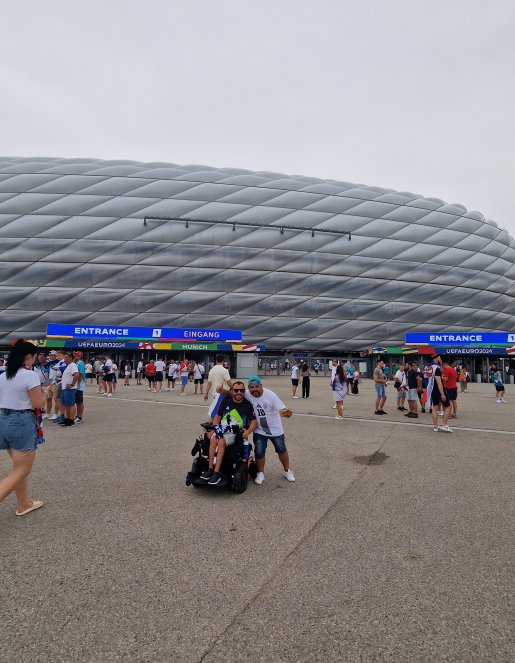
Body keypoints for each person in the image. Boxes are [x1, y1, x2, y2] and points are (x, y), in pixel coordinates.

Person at [0, 340, 47, 516]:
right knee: (22, 469)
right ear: (28, 357)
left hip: (4, 419)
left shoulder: (3, 375)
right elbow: (36, 403)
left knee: (18, 468)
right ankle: (22, 503)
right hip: (22, 422)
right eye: (34, 357)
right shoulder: (30, 375)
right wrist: (46, 396)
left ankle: (23, 503)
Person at [199, 382, 257, 485]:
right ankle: (210, 469)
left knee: (221, 441)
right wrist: (213, 430)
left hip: (235, 432)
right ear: (232, 392)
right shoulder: (226, 401)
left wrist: (248, 431)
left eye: (242, 391)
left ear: (244, 392)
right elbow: (217, 417)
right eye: (236, 390)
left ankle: (216, 472)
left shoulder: (247, 405)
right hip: (222, 429)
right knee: (213, 439)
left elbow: (254, 422)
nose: (239, 393)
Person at [244, 375, 295, 484]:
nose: (254, 390)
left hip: (275, 429)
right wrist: (222, 391)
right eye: (251, 388)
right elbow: (234, 392)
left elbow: (282, 409)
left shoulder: (270, 395)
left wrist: (287, 413)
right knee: (259, 451)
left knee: (281, 449)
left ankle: (287, 470)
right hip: (259, 429)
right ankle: (260, 473)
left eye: (257, 387)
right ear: (248, 388)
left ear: (261, 386)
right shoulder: (248, 394)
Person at [426, 354, 452, 432]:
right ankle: (444, 425)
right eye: (439, 359)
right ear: (437, 359)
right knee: (447, 406)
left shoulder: (429, 368)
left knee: (435, 407)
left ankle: (436, 426)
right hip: (438, 390)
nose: (441, 360)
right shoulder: (437, 369)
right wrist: (442, 393)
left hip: (432, 390)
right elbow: (439, 382)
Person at [59, 351, 80, 427]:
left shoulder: (72, 365)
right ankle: (67, 418)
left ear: (70, 358)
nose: (64, 359)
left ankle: (71, 420)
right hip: (65, 388)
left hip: (69, 389)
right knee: (66, 404)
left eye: (66, 357)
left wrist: (72, 384)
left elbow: (76, 374)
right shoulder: (69, 366)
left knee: (71, 404)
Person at [34, 352, 52, 419]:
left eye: (41, 357)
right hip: (37, 382)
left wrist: (49, 382)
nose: (40, 359)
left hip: (46, 382)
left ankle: (48, 413)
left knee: (48, 398)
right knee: (39, 397)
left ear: (45, 357)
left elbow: (51, 374)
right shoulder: (35, 365)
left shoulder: (49, 365)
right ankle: (41, 411)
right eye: (39, 357)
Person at [73, 351, 86, 425]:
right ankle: (77, 416)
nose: (74, 357)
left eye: (75, 356)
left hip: (79, 385)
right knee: (77, 401)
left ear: (79, 356)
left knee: (79, 401)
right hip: (76, 384)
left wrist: (77, 384)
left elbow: (81, 374)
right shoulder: (75, 364)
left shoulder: (80, 364)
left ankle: (80, 417)